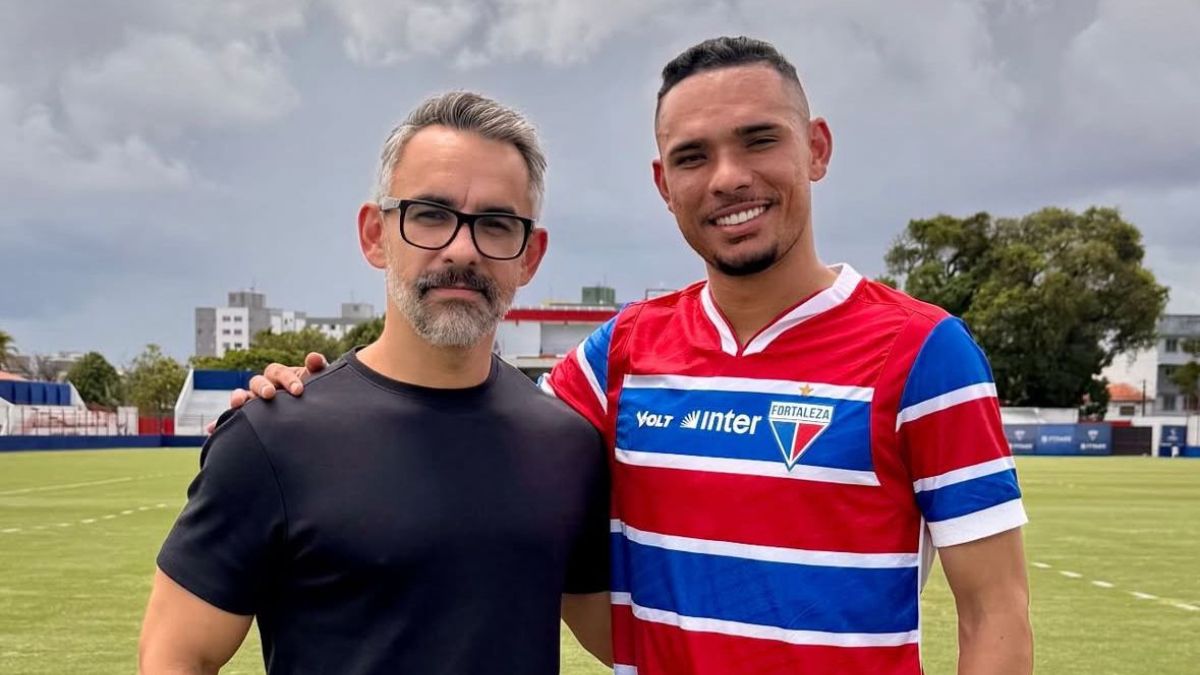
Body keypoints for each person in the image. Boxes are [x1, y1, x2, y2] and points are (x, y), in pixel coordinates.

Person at [237, 37, 1034, 674]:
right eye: (693, 156)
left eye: (760, 140)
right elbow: (474, 425)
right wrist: (318, 405)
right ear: (663, 181)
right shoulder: (619, 353)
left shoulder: (927, 352)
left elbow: (995, 611)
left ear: (816, 148)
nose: (729, 177)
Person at [139, 91, 612, 675]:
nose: (461, 249)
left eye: (496, 223)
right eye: (430, 215)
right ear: (374, 234)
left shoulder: (567, 445)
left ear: (530, 255)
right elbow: (176, 656)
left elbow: (623, 633)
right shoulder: (273, 434)